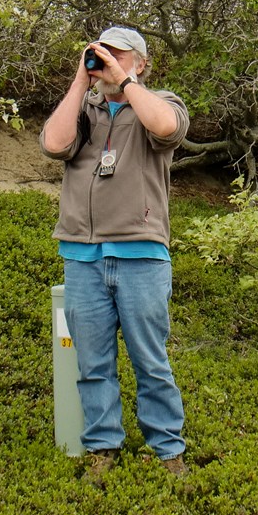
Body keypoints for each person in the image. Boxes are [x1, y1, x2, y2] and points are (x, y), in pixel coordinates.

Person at [40, 27, 189, 484]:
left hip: (141, 254)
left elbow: (166, 128)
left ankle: (167, 451)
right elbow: (53, 144)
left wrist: (125, 84)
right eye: (100, 55)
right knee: (93, 361)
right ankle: (103, 447)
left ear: (141, 62)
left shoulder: (161, 102)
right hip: (82, 255)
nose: (107, 62)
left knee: (150, 359)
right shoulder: (84, 107)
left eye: (119, 56)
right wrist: (79, 83)